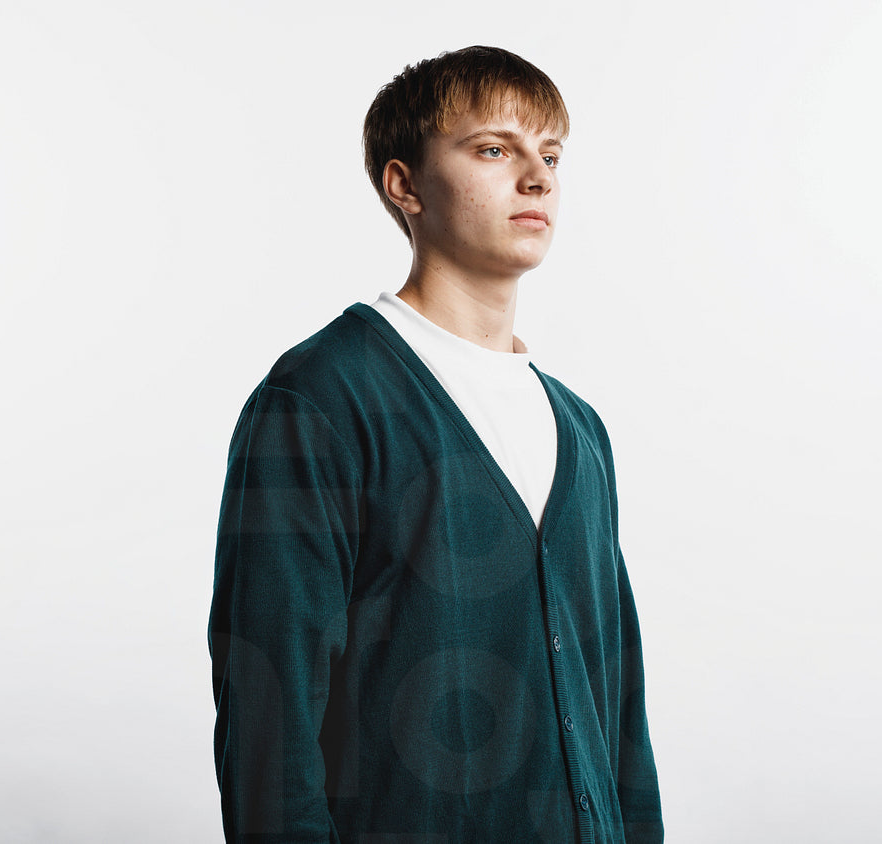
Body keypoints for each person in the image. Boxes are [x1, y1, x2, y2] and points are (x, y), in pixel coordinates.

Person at [209, 46, 663, 843]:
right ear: (405, 184)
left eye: (551, 155)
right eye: (494, 150)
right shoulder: (321, 400)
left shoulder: (580, 429)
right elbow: (269, 723)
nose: (538, 178)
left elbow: (619, 708)